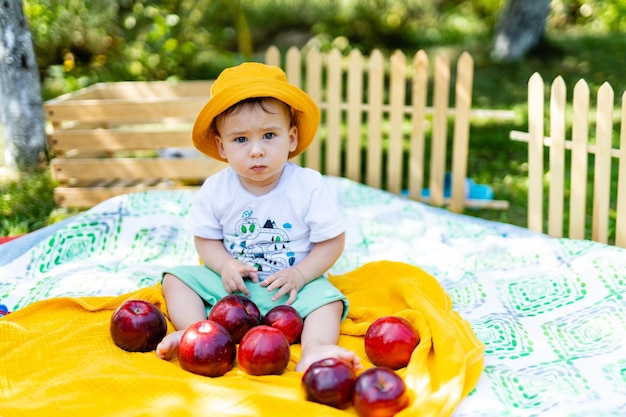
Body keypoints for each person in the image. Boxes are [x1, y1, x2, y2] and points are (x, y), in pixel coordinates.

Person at [155, 62, 361, 373]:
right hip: (235, 289)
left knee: (328, 300)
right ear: (221, 146)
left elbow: (332, 242)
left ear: (291, 139)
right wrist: (225, 264)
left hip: (291, 288)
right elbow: (206, 239)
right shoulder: (216, 188)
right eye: (240, 140)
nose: (256, 151)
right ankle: (198, 332)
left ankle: (315, 348)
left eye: (268, 135)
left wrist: (302, 275)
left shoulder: (308, 186)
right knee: (175, 279)